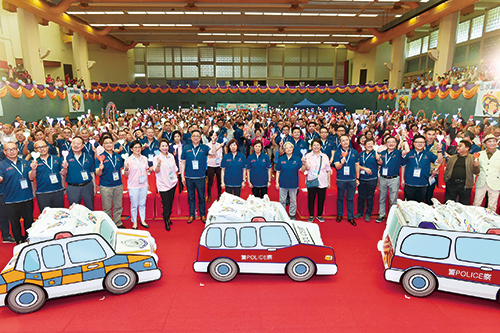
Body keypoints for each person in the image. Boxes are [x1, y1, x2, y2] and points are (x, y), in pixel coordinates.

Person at [0, 142, 34, 243]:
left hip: (27, 197)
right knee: (15, 223)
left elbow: (31, 177)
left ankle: (29, 239)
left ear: (17, 149)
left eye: (14, 149)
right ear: (4, 151)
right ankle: (19, 240)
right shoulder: (2, 165)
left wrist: (34, 169)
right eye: (9, 150)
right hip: (11, 200)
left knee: (29, 221)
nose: (12, 151)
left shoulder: (24, 162)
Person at [375, 136, 408, 223]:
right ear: (386, 144)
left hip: (394, 178)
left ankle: (391, 217)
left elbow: (407, 150)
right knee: (382, 198)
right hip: (382, 178)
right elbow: (379, 164)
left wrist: (404, 139)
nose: (391, 144)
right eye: (389, 142)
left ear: (396, 143)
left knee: (393, 199)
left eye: (393, 142)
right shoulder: (381, 152)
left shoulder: (399, 153)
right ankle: (381, 214)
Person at [401, 135, 443, 203]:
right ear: (414, 143)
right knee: (409, 205)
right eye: (417, 142)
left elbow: (440, 161)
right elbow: (403, 166)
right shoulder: (409, 153)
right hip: (409, 183)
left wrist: (439, 150)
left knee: (420, 204)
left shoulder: (428, 154)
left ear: (425, 143)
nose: (420, 144)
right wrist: (402, 179)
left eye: (422, 142)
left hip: (423, 184)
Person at [180, 129, 210, 224]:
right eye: (194, 136)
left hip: (200, 176)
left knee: (202, 197)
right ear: (191, 137)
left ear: (200, 138)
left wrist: (213, 142)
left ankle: (203, 214)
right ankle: (192, 214)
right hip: (189, 176)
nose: (195, 137)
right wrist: (182, 176)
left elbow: (213, 153)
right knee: (191, 197)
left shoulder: (205, 147)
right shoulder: (186, 148)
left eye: (197, 136)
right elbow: (182, 162)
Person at [96, 135, 124, 228]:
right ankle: (109, 225)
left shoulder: (118, 156)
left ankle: (118, 222)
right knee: (107, 208)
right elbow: (97, 174)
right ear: (103, 145)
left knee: (118, 206)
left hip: (118, 184)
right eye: (106, 143)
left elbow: (120, 169)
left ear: (113, 144)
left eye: (110, 143)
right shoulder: (100, 157)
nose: (108, 145)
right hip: (105, 186)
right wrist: (100, 169)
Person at [31, 140, 66, 213]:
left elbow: (63, 173)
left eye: (44, 146)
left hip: (57, 191)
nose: (42, 149)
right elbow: (31, 178)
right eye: (39, 147)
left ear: (47, 147)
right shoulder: (33, 162)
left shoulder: (57, 159)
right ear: (35, 150)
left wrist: (65, 168)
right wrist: (33, 169)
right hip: (42, 193)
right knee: (45, 217)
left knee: (59, 215)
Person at [124, 140, 151, 229]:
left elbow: (146, 171)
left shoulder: (144, 158)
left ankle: (143, 220)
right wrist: (126, 169)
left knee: (142, 204)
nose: (137, 149)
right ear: (131, 149)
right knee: (134, 205)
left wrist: (147, 183)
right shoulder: (129, 159)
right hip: (133, 185)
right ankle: (134, 222)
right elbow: (126, 174)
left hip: (143, 185)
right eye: (135, 147)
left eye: (139, 147)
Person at [303, 139, 331, 223]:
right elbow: (306, 168)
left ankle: (319, 215)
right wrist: (304, 162)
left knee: (321, 199)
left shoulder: (325, 156)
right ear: (311, 146)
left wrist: (329, 181)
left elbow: (328, 169)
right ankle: (311, 215)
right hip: (311, 180)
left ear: (321, 146)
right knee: (311, 199)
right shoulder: (307, 156)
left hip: (322, 181)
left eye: (318, 145)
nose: (316, 147)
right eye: (314, 145)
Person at [333, 134, 359, 226]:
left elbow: (357, 165)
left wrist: (357, 178)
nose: (345, 142)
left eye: (347, 140)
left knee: (350, 199)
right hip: (341, 179)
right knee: (340, 198)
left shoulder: (354, 152)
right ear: (340, 142)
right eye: (343, 140)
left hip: (352, 179)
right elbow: (337, 167)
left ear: (349, 141)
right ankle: (339, 215)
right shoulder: (337, 153)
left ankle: (350, 217)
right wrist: (341, 163)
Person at [276, 141, 305, 218]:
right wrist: (277, 182)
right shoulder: (281, 159)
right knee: (282, 200)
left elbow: (302, 170)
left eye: (290, 147)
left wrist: (304, 163)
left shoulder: (297, 159)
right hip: (283, 183)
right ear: (284, 150)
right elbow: (278, 171)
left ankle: (292, 214)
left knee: (293, 201)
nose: (289, 149)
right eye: (287, 148)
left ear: (293, 149)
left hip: (293, 183)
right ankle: (283, 215)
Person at [444, 141, 479, 205]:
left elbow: (476, 172)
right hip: (451, 184)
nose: (458, 148)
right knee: (448, 204)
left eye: (460, 146)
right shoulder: (452, 158)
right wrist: (446, 180)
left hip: (465, 185)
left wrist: (476, 166)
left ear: (467, 148)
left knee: (464, 204)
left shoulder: (472, 158)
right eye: (457, 146)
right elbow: (447, 170)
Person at [154, 139, 178, 231]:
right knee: (166, 203)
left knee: (170, 202)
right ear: (159, 147)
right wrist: (159, 164)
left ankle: (168, 217)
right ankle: (166, 220)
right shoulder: (157, 157)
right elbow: (156, 171)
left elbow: (174, 168)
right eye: (163, 146)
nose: (165, 148)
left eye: (166, 146)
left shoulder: (171, 156)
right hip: (163, 184)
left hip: (172, 182)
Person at [65, 136, 95, 210]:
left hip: (87, 186)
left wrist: (94, 186)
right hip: (73, 187)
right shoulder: (66, 158)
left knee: (90, 208)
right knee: (74, 210)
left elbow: (92, 173)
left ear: (82, 146)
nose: (76, 145)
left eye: (78, 144)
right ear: (71, 145)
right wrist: (64, 167)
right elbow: (63, 174)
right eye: (74, 143)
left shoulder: (88, 157)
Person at [473, 134, 500, 212]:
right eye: (489, 141)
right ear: (485, 143)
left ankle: (490, 221)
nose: (492, 143)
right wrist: (476, 166)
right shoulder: (479, 154)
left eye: (494, 141)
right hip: (482, 181)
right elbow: (476, 170)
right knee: (477, 203)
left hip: (495, 182)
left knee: (492, 205)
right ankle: (475, 220)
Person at [355, 138, 379, 222]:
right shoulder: (360, 154)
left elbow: (380, 163)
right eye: (368, 144)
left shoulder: (375, 154)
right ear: (364, 145)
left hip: (372, 179)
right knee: (361, 196)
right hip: (362, 178)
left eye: (371, 144)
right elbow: (357, 165)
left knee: (370, 197)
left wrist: (378, 158)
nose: (370, 145)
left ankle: (368, 214)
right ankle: (360, 212)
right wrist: (364, 169)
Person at [206, 130, 223, 202]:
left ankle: (219, 195)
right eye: (213, 135)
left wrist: (220, 161)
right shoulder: (207, 145)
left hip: (218, 165)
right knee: (210, 181)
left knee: (219, 181)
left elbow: (221, 155)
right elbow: (212, 153)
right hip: (210, 165)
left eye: (215, 135)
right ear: (210, 136)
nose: (214, 137)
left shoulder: (219, 145)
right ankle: (209, 195)